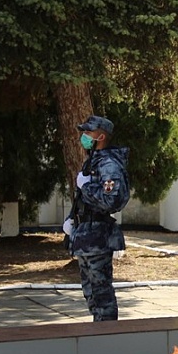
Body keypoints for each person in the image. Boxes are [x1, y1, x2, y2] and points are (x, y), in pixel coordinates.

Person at [62, 115, 130, 321]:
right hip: (86, 234)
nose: (84, 136)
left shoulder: (109, 164)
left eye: (88, 132)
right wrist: (72, 219)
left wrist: (86, 186)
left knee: (101, 293)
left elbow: (112, 200)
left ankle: (107, 333)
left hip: (98, 236)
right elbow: (83, 200)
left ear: (101, 137)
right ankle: (98, 330)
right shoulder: (93, 161)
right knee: (90, 291)